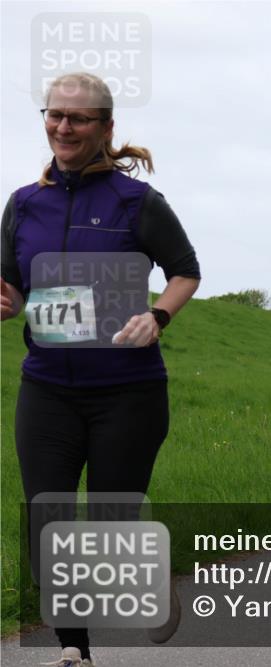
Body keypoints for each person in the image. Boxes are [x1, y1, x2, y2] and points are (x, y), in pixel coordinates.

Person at [1, 73, 200, 666]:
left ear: (106, 128)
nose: (64, 127)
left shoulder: (135, 202)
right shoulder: (23, 204)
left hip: (127, 392)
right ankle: (74, 652)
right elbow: (11, 284)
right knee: (48, 522)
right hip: (47, 389)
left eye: (79, 118)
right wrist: (7, 302)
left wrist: (158, 316)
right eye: (55, 115)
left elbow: (186, 271)